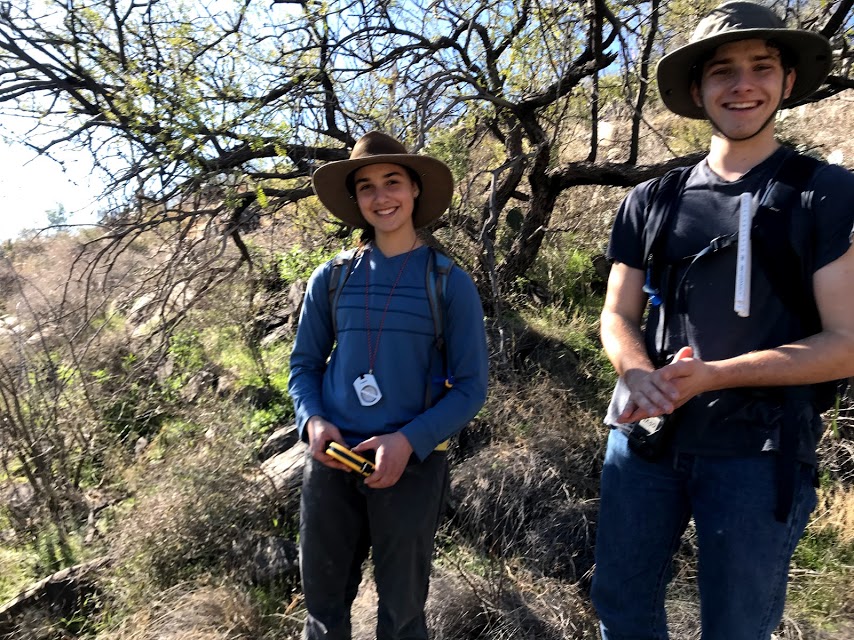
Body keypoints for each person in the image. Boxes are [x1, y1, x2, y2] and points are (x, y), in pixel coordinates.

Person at [591, 2, 854, 639]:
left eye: (761, 66)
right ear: (697, 89)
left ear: (788, 80)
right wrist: (637, 372)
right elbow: (617, 313)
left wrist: (716, 375)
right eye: (722, 71)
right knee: (621, 610)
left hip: (759, 455)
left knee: (736, 626)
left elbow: (846, 343)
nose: (743, 85)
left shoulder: (823, 192)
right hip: (646, 443)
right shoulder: (652, 199)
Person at [288, 131, 489, 640]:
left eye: (392, 181)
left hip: (411, 468)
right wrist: (313, 422)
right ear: (356, 200)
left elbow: (471, 387)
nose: (381, 197)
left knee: (401, 617)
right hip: (332, 463)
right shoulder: (331, 278)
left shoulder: (449, 282)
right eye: (367, 187)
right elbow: (304, 366)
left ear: (415, 188)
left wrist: (407, 441)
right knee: (323, 612)